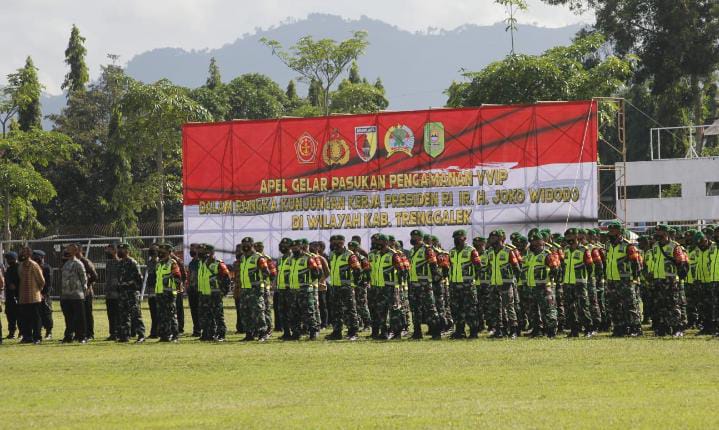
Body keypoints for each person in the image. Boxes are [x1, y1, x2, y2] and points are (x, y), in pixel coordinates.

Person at [649, 224, 688, 337]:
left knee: (673, 304)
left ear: (665, 233)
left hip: (671, 280)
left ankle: (677, 328)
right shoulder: (655, 246)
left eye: (660, 232)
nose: (657, 235)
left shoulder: (675, 246)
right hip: (658, 279)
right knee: (660, 305)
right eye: (657, 233)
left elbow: (681, 264)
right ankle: (663, 328)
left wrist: (679, 278)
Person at [605, 221, 643, 337]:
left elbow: (636, 263)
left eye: (613, 231)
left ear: (619, 232)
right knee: (614, 305)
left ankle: (635, 328)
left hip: (625, 280)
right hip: (612, 280)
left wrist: (635, 278)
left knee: (630, 305)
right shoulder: (608, 245)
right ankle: (619, 328)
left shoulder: (628, 246)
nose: (610, 233)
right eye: (609, 230)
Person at [521, 231, 560, 337]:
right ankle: (537, 330)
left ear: (542, 242)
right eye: (532, 242)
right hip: (532, 287)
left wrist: (550, 281)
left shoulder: (547, 255)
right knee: (533, 311)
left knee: (548, 310)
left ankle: (551, 331)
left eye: (536, 242)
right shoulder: (530, 256)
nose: (533, 244)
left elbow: (555, 268)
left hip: (544, 287)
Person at [368, 234, 405, 340]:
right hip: (379, 287)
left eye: (379, 242)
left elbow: (401, 270)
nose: (377, 244)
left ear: (385, 243)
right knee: (381, 311)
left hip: (391, 287)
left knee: (394, 311)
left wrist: (398, 283)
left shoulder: (393, 255)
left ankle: (397, 333)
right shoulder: (377, 255)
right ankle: (384, 332)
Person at [326, 235, 362, 341]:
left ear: (343, 242)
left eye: (338, 243)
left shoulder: (350, 255)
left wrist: (354, 282)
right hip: (335, 286)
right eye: (334, 242)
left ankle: (353, 332)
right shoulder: (332, 254)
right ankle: (336, 332)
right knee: (336, 310)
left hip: (346, 287)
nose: (335, 245)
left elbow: (358, 270)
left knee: (350, 310)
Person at [408, 229, 442, 340]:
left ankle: (436, 332)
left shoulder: (427, 250)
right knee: (415, 309)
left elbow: (433, 265)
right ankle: (417, 332)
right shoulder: (412, 250)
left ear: (421, 238)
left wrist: (435, 279)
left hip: (424, 284)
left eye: (415, 237)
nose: (413, 238)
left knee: (430, 308)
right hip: (413, 284)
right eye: (412, 236)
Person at [486, 230, 521, 338]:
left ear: (501, 238)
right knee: (496, 308)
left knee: (509, 307)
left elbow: (517, 268)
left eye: (494, 238)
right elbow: (488, 267)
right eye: (491, 238)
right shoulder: (490, 252)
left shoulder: (508, 251)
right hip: (494, 283)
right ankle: (500, 330)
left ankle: (514, 330)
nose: (491, 240)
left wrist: (513, 282)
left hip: (506, 283)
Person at [234, 238, 270, 341]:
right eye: (243, 244)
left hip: (255, 289)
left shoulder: (258, 258)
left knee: (258, 311)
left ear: (252, 245)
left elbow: (266, 272)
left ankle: (263, 333)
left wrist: (260, 284)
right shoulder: (243, 258)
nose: (245, 246)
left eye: (248, 244)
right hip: (245, 289)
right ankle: (249, 334)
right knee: (245, 312)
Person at [562, 228, 594, 337]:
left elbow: (590, 266)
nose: (569, 239)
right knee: (569, 307)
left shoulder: (584, 250)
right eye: (567, 237)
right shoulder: (566, 250)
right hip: (567, 282)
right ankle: (574, 330)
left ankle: (588, 329)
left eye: (571, 237)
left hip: (580, 282)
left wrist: (588, 279)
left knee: (583, 306)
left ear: (576, 237)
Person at [287, 238, 321, 340]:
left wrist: (309, 283)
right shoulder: (291, 259)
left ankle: (312, 332)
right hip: (293, 290)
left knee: (308, 313)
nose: (294, 249)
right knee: (294, 313)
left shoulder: (308, 258)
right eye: (292, 247)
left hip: (305, 290)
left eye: (296, 247)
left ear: (301, 247)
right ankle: (296, 333)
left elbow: (317, 272)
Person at [198, 244, 230, 342]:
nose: (201, 253)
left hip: (215, 293)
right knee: (206, 315)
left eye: (204, 251)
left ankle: (221, 334)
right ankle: (208, 333)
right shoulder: (202, 263)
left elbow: (226, 278)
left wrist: (223, 292)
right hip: (204, 293)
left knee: (218, 315)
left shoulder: (218, 264)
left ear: (211, 252)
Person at [117, 243, 145, 343]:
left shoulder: (132, 262)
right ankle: (125, 336)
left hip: (132, 293)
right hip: (123, 293)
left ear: (127, 251)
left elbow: (139, 278)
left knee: (136, 314)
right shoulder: (119, 263)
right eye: (119, 249)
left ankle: (141, 335)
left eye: (122, 249)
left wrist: (137, 291)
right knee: (123, 315)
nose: (119, 251)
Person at [60, 244, 87, 343]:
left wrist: (84, 292)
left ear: (75, 251)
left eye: (69, 249)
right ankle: (69, 336)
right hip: (66, 295)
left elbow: (84, 279)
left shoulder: (78, 263)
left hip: (76, 295)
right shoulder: (66, 263)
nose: (67, 250)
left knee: (79, 318)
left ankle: (82, 336)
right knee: (68, 317)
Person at [17, 246, 45, 344]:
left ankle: (37, 337)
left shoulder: (34, 265)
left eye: (24, 252)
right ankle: (27, 337)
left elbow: (41, 280)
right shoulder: (20, 266)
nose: (22, 254)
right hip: (23, 297)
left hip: (34, 297)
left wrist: (38, 290)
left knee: (35, 318)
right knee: (25, 318)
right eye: (22, 252)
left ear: (29, 254)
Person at [155, 243, 182, 342]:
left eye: (163, 252)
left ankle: (175, 336)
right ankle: (164, 335)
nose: (160, 253)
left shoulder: (172, 263)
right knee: (162, 315)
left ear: (169, 252)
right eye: (159, 252)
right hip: (160, 292)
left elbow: (178, 277)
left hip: (169, 293)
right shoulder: (159, 263)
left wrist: (176, 290)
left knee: (171, 315)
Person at [348, 240, 372, 330]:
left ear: (357, 248)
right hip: (351, 284)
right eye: (349, 247)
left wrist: (367, 281)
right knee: (353, 305)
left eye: (353, 247)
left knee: (362, 305)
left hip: (361, 284)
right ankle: (357, 324)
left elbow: (368, 271)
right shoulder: (349, 258)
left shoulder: (362, 258)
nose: (351, 249)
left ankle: (367, 324)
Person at [254, 241, 276, 336]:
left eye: (260, 247)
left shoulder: (266, 258)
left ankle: (269, 328)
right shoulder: (253, 258)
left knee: (266, 308)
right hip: (256, 287)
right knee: (257, 309)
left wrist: (270, 283)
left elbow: (273, 272)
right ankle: (258, 328)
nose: (258, 249)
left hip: (265, 287)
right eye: (257, 247)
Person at [76, 247, 97, 341]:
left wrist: (86, 285)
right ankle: (79, 333)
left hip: (86, 292)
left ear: (80, 251)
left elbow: (94, 276)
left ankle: (90, 334)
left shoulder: (85, 262)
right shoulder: (74, 262)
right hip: (77, 292)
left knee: (87, 313)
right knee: (79, 314)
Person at [31, 250, 53, 340]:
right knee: (36, 315)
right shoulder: (33, 267)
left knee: (46, 313)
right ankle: (37, 332)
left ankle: (49, 332)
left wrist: (45, 294)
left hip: (44, 295)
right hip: (35, 294)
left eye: (37, 258)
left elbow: (49, 283)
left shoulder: (46, 268)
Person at [274, 238, 293, 340]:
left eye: (285, 245)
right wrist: (275, 284)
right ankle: (286, 332)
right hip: (281, 289)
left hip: (290, 289)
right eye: (281, 245)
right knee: (283, 312)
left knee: (292, 312)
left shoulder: (293, 259)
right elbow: (278, 273)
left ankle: (295, 332)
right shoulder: (280, 260)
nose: (282, 247)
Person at [104, 243, 121, 340]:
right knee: (110, 314)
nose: (107, 252)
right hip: (109, 293)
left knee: (118, 314)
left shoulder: (120, 263)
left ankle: (119, 332)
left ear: (115, 251)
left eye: (109, 250)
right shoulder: (109, 263)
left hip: (117, 293)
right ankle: (112, 333)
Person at [186, 243, 202, 337]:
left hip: (200, 290)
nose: (191, 251)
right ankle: (196, 330)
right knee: (193, 311)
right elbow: (189, 276)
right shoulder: (191, 263)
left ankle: (203, 329)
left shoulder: (201, 262)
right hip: (192, 290)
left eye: (193, 249)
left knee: (201, 311)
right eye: (191, 249)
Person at [3, 251, 19, 339]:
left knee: (19, 315)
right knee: (10, 314)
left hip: (17, 294)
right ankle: (11, 332)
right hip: (9, 295)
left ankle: (22, 333)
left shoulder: (19, 268)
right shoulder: (9, 269)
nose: (8, 261)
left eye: (10, 259)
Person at [145, 243, 160, 339]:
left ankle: (157, 332)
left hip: (158, 291)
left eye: (153, 249)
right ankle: (154, 332)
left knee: (158, 312)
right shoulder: (149, 262)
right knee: (153, 312)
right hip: (151, 291)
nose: (151, 251)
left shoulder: (161, 263)